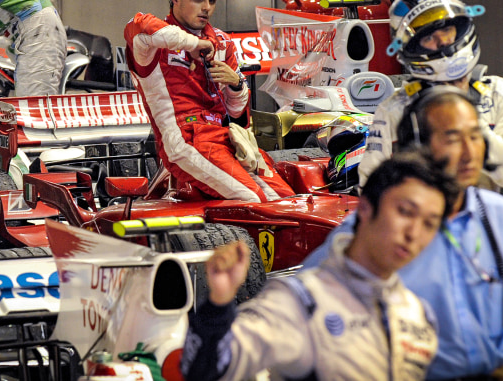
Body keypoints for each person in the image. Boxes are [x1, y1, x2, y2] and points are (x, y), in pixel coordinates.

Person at [304, 86, 503, 380]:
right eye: (453, 138)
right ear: (416, 145)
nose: (470, 152)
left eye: (475, 136)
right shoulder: (370, 229)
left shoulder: (502, 218)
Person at [180, 151, 460, 380]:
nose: (414, 233)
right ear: (365, 207)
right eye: (405, 212)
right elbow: (207, 370)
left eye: (429, 223)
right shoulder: (300, 301)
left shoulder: (419, 313)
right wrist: (218, 305)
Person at [124, 0, 294, 202]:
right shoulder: (151, 46)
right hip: (184, 140)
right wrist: (193, 44)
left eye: (212, 1)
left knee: (286, 200)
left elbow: (236, 110)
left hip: (227, 138)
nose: (206, 8)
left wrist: (236, 83)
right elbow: (139, 26)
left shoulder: (222, 43)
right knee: (252, 199)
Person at [359, 0, 503, 190]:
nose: (442, 41)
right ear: (413, 47)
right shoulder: (394, 109)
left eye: (447, 30)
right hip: (419, 215)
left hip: (481, 213)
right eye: (429, 37)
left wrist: (465, 120)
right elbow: (370, 186)